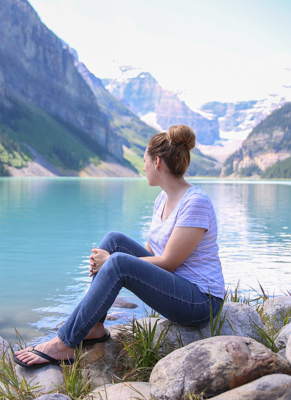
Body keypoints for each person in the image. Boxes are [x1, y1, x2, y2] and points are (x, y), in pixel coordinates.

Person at [13, 124, 225, 368]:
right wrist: (113, 263)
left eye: (145, 160)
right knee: (113, 241)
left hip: (200, 301)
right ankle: (93, 326)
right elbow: (152, 252)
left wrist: (112, 264)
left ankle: (64, 343)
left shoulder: (196, 202)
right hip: (176, 284)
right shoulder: (163, 198)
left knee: (117, 262)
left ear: (157, 162)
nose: (142, 166)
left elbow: (169, 262)